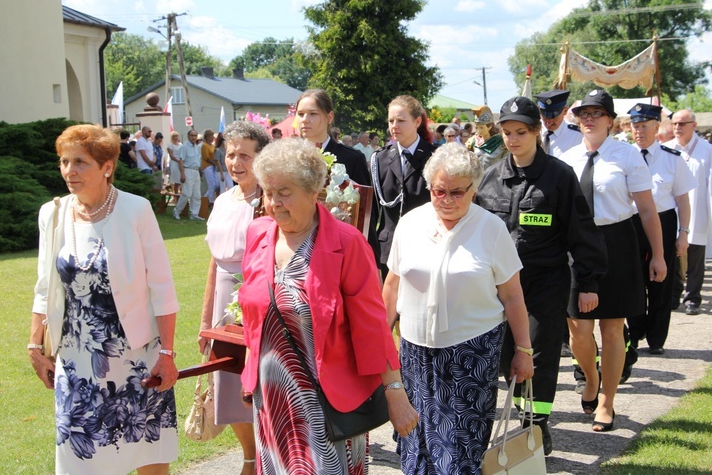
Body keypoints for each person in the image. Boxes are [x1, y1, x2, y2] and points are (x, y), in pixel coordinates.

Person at [238, 138, 418, 474]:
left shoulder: (346, 243)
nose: (274, 203)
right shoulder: (258, 234)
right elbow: (253, 313)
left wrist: (395, 391)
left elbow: (372, 326)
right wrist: (250, 372)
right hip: (272, 400)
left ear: (314, 192)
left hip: (328, 406)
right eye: (267, 191)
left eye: (285, 192)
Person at [29, 124, 179, 474]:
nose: (69, 171)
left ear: (107, 166)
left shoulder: (136, 210)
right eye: (64, 162)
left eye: (80, 162)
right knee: (79, 457)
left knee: (147, 454)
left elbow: (162, 288)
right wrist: (34, 346)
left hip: (136, 357)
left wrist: (168, 354)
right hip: (76, 359)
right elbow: (44, 286)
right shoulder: (52, 214)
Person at [383, 142, 534, 473]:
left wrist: (523, 349)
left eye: (457, 192)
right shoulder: (410, 224)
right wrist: (380, 342)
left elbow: (512, 296)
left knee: (460, 449)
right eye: (439, 191)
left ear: (474, 189)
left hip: (471, 354)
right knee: (416, 442)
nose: (447, 200)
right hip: (414, 354)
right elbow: (392, 287)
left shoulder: (491, 229)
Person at [476, 96, 608, 455]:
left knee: (537, 355)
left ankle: (536, 425)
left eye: (521, 132)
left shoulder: (559, 176)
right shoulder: (490, 178)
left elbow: (581, 231)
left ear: (536, 131)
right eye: (506, 132)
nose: (513, 139)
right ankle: (523, 410)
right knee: (507, 356)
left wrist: (588, 282)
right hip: (499, 288)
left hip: (545, 282)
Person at [561, 90, 666, 433]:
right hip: (576, 245)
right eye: (583, 113)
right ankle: (590, 377)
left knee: (612, 328)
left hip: (616, 242)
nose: (589, 118)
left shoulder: (627, 156)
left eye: (596, 113)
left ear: (609, 120)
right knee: (577, 327)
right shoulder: (566, 157)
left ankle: (607, 399)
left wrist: (659, 255)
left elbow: (648, 210)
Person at [198, 121, 268, 475]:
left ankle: (268, 458)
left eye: (245, 155)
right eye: (230, 154)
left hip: (259, 298)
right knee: (226, 384)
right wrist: (205, 320)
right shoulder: (224, 200)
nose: (236, 162)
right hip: (224, 299)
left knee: (257, 386)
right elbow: (214, 262)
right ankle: (249, 456)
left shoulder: (270, 200)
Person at [626, 103, 694, 355]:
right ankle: (635, 331)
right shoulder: (624, 155)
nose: (639, 131)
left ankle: (656, 338)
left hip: (663, 221)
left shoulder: (671, 159)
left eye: (644, 126)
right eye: (635, 126)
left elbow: (682, 199)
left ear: (656, 128)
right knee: (632, 279)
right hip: (631, 223)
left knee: (660, 282)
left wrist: (683, 233)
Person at [371, 95, 436, 276]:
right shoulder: (380, 159)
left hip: (426, 247)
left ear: (417, 121)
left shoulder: (435, 157)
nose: (394, 126)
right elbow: (373, 212)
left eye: (401, 120)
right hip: (388, 250)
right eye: (391, 120)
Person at [664, 109, 712, 316]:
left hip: (698, 206)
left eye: (682, 124)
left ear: (693, 125)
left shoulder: (706, 150)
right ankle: (674, 295)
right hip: (672, 209)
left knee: (695, 256)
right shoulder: (665, 148)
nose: (677, 128)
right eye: (674, 124)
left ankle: (692, 297)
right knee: (672, 255)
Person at [295, 89, 371, 187]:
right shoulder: (289, 157)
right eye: (300, 114)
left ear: (330, 117)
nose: (305, 120)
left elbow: (364, 199)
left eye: (313, 113)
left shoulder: (353, 159)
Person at [534, 89, 583, 159]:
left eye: (554, 117)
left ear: (565, 111)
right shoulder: (532, 131)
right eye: (545, 117)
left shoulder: (577, 136)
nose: (549, 122)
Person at [173, 129, 204, 221]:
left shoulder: (197, 147)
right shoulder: (184, 147)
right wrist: (182, 174)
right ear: (188, 136)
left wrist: (200, 172)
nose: (193, 137)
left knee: (197, 195)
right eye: (192, 135)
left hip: (196, 171)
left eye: (195, 135)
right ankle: (176, 211)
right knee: (186, 194)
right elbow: (180, 161)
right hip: (187, 170)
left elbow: (198, 161)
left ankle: (194, 214)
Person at [201, 129, 220, 208]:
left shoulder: (213, 146)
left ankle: (205, 198)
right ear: (206, 137)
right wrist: (214, 163)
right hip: (207, 166)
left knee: (216, 184)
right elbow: (206, 157)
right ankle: (211, 201)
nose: (212, 137)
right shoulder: (204, 145)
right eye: (210, 136)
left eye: (213, 136)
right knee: (211, 184)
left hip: (213, 166)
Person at [167, 131, 183, 195]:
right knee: (176, 178)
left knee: (180, 178)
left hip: (180, 162)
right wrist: (177, 160)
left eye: (176, 136)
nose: (175, 137)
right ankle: (175, 194)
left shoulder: (180, 145)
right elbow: (171, 155)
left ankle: (179, 193)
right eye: (174, 136)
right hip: (174, 162)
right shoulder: (170, 145)